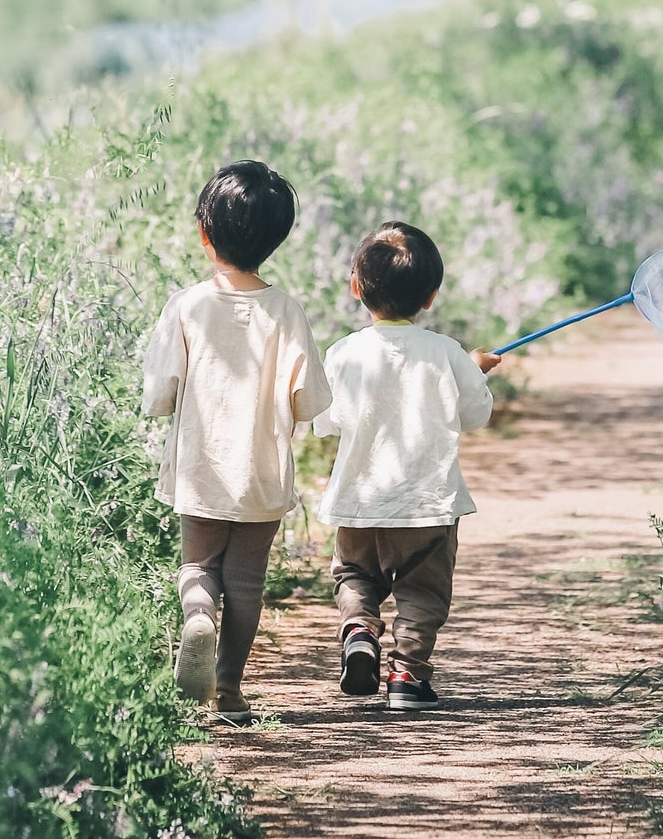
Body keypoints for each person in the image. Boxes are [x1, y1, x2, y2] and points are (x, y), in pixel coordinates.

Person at [140, 159, 332, 725]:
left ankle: (197, 614)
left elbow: (159, 392)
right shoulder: (286, 311)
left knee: (199, 567)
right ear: (277, 238)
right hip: (262, 471)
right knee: (246, 581)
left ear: (205, 232)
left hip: (200, 467)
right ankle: (228, 691)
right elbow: (308, 400)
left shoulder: (188, 306)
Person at [314, 221, 502, 713]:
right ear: (431, 296)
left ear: (356, 288)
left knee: (355, 575)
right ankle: (407, 677)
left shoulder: (344, 354)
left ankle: (358, 628)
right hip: (428, 505)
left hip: (359, 502)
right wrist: (472, 369)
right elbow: (476, 415)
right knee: (422, 591)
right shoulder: (447, 354)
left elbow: (324, 422)